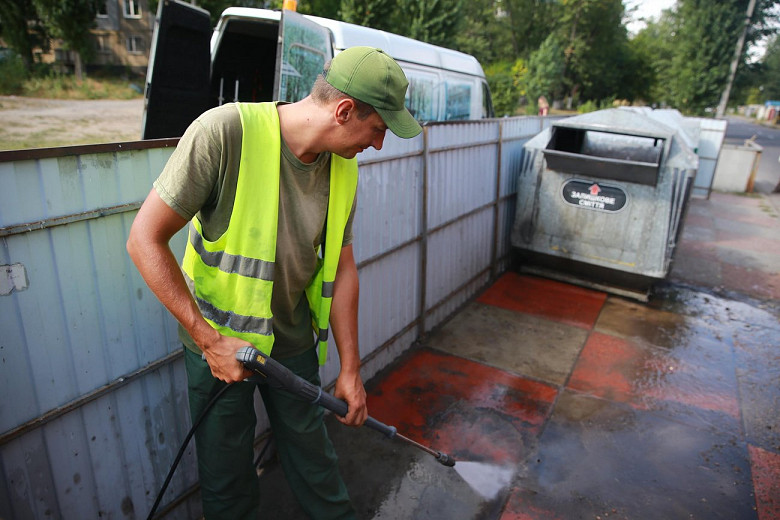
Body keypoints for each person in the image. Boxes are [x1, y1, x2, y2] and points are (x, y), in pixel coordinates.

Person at [126, 46, 422, 520]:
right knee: (227, 480)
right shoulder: (224, 133)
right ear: (344, 111)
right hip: (217, 337)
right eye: (379, 130)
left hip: (290, 337)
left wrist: (351, 368)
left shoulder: (342, 165)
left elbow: (343, 267)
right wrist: (209, 341)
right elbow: (144, 241)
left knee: (315, 460)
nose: (379, 144)